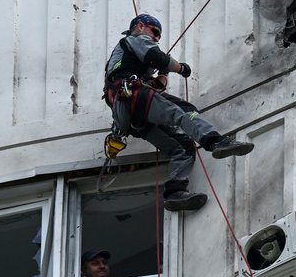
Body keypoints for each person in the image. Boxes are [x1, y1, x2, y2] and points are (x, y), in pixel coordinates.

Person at [104, 14, 254, 211]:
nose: (156, 38)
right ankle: (215, 141)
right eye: (155, 32)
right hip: (134, 98)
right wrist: (181, 68)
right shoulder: (135, 39)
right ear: (140, 26)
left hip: (131, 116)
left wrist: (163, 74)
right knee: (183, 111)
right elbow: (157, 58)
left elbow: (156, 86)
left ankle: (175, 192)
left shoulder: (126, 60)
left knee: (183, 146)